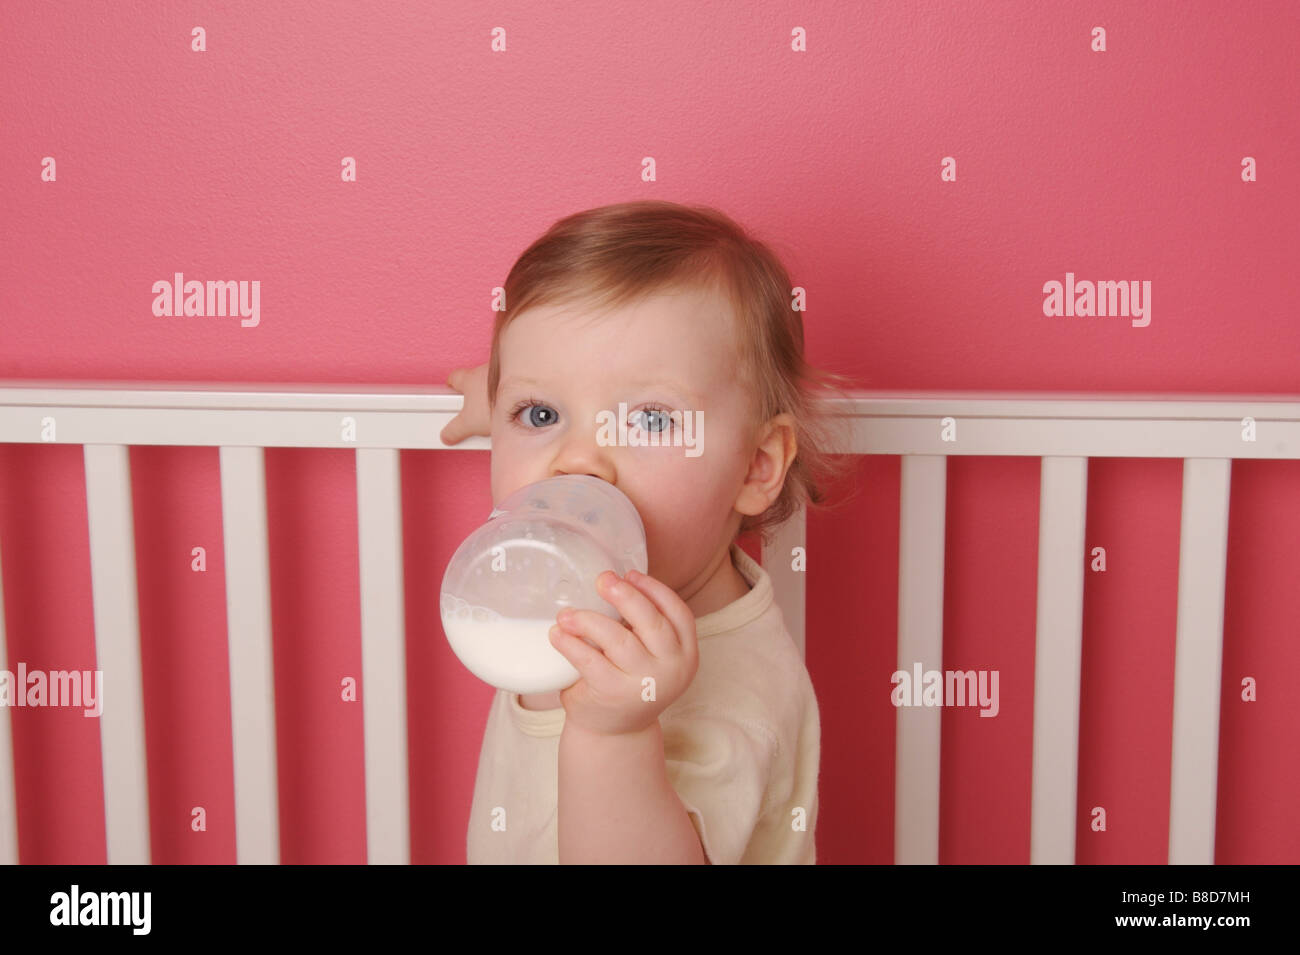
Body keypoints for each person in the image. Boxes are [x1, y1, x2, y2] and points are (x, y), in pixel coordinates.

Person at [440, 200, 855, 863]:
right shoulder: (571, 578)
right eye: (541, 412)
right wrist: (494, 403)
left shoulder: (740, 694)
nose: (577, 461)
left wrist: (616, 737)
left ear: (756, 464)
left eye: (651, 421)